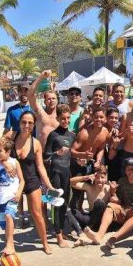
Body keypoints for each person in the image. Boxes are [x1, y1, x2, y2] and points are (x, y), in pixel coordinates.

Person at [6, 111, 54, 254]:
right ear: (19, 123)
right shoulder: (11, 137)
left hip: (32, 180)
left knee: (37, 213)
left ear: (34, 125)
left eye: (30, 123)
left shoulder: (36, 143)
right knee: (10, 214)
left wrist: (49, 185)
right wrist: (5, 164)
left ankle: (45, 243)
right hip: (14, 183)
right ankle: (9, 244)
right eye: (24, 122)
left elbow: (40, 167)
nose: (26, 125)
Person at [85, 158, 133, 252]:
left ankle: (114, 238)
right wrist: (113, 193)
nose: (131, 171)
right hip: (125, 211)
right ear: (125, 171)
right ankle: (99, 235)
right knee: (111, 205)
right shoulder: (122, 181)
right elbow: (119, 202)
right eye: (128, 169)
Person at [43, 104, 76, 247]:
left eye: (68, 118)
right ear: (57, 118)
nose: (66, 121)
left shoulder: (72, 135)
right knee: (57, 203)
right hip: (55, 172)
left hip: (66, 172)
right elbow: (45, 156)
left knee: (65, 202)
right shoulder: (53, 135)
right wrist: (57, 153)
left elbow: (73, 155)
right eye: (63, 118)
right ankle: (58, 236)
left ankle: (61, 230)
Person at [0, 138, 25, 256]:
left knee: (9, 216)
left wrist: (18, 193)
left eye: (0, 151)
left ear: (8, 152)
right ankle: (8, 242)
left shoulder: (14, 162)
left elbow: (22, 181)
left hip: (12, 197)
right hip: (0, 198)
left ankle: (10, 245)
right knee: (5, 224)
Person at [28, 70, 59, 147]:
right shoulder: (40, 113)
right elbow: (30, 94)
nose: (51, 101)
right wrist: (41, 77)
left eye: (53, 98)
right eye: (48, 99)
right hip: (42, 155)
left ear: (57, 100)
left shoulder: (62, 114)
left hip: (58, 156)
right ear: (44, 101)